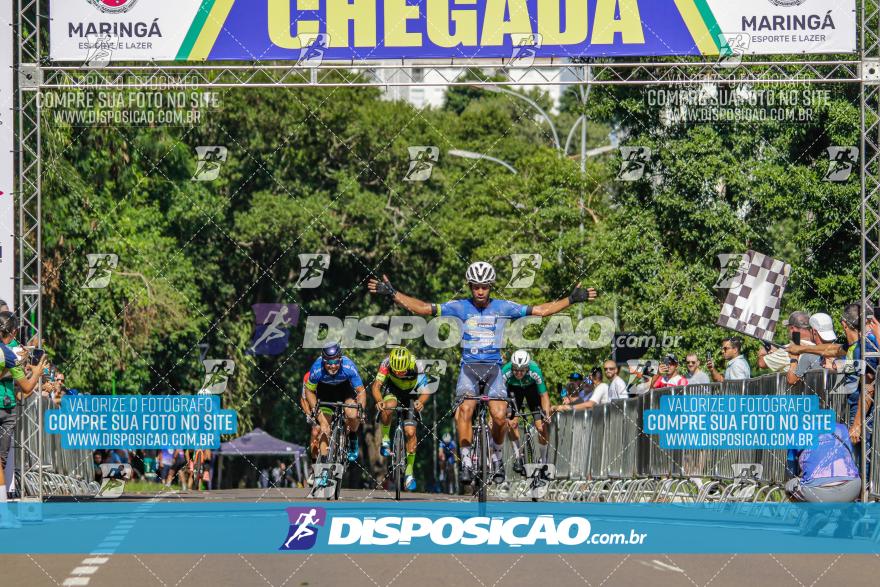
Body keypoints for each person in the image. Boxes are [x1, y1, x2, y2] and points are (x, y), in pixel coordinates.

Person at [368, 262, 597, 485]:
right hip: (469, 369)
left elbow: (539, 311)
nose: (480, 290)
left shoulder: (503, 307)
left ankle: (496, 458)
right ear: (469, 286)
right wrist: (393, 293)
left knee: (499, 416)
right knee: (465, 409)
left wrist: (572, 299)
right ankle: (467, 461)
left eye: (485, 286)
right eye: (476, 286)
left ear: (491, 286)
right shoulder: (460, 307)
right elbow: (424, 308)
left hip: (493, 370)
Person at [0, 311, 47, 526]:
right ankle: (3, 513)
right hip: (5, 409)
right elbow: (27, 388)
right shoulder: (8, 355)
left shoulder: (11, 355)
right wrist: (36, 371)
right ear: (13, 331)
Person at [371, 347, 431, 491]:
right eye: (396, 371)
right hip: (393, 391)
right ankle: (386, 439)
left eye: (402, 371)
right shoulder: (386, 363)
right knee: (387, 406)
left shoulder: (417, 365)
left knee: (410, 432)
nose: (398, 373)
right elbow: (376, 386)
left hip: (410, 395)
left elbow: (426, 390)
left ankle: (409, 472)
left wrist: (421, 402)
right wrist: (379, 400)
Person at [303, 342, 367, 471]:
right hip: (325, 393)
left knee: (352, 414)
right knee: (324, 428)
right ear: (323, 361)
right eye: (329, 363)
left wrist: (361, 408)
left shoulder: (348, 366)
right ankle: (324, 468)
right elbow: (309, 391)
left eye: (336, 362)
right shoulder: (316, 368)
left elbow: (361, 391)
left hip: (345, 391)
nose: (333, 366)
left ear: (340, 359)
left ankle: (353, 437)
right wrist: (316, 410)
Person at [501, 350, 552, 474]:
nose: (518, 373)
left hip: (531, 390)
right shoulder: (505, 371)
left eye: (522, 370)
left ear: (527, 368)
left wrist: (546, 414)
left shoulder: (535, 371)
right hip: (513, 391)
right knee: (511, 423)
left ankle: (543, 459)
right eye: (515, 370)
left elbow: (544, 395)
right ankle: (518, 456)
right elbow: (499, 397)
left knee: (541, 427)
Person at [785, 423, 860, 502]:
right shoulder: (842, 428)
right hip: (852, 488)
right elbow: (850, 458)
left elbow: (791, 469)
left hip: (815, 493)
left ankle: (814, 511)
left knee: (789, 486)